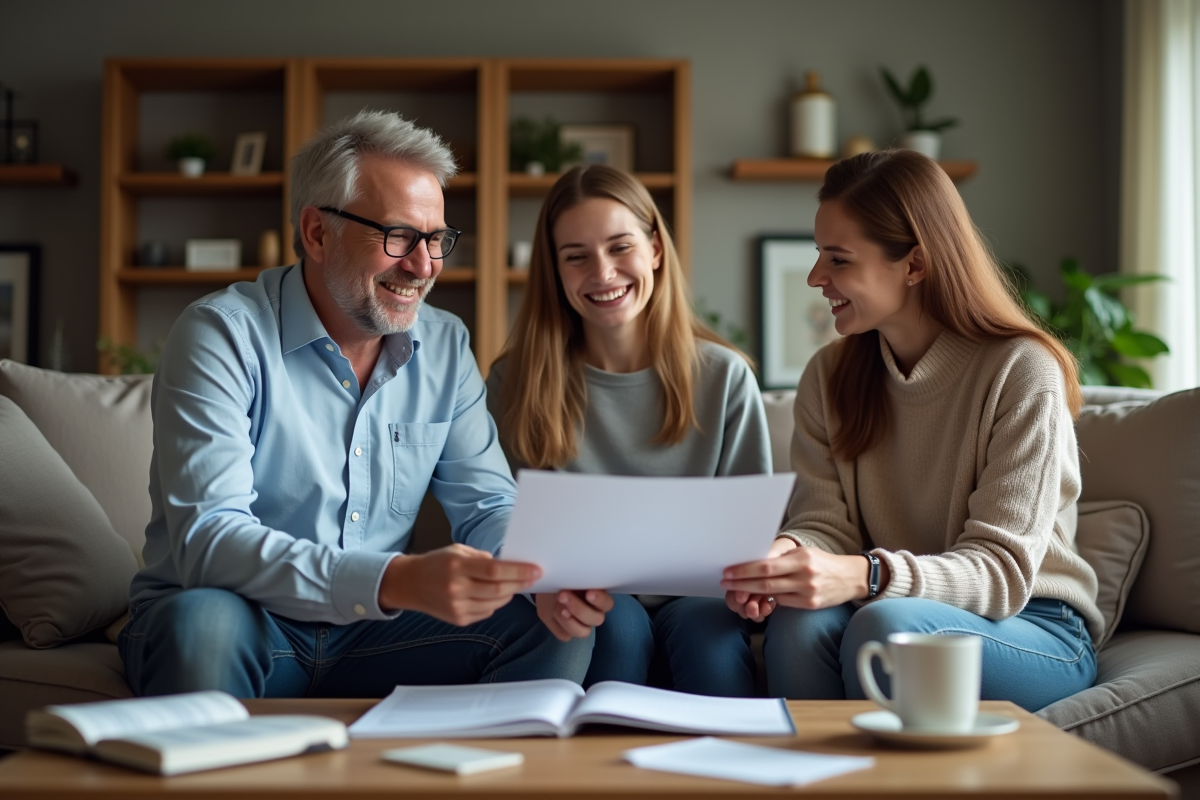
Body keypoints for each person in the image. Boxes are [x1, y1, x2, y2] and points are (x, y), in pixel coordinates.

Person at [119, 111, 593, 698]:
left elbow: (488, 504)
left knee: (554, 625)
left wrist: (540, 572)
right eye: (398, 236)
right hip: (242, 620)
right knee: (206, 623)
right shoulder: (221, 334)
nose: (423, 267)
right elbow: (209, 539)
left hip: (374, 633)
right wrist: (393, 579)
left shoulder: (444, 345)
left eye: (437, 240)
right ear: (317, 232)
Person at [721, 149, 1101, 711]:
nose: (815, 277)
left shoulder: (1022, 371)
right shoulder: (828, 376)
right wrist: (788, 558)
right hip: (887, 604)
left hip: (1032, 627)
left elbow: (1000, 572)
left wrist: (863, 576)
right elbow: (826, 523)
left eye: (838, 259)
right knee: (800, 619)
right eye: (817, 255)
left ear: (914, 265)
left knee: (889, 628)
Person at [486, 164, 772, 696]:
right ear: (555, 271)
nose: (603, 272)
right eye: (576, 257)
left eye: (621, 247)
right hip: (590, 598)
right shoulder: (514, 381)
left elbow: (747, 537)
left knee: (707, 638)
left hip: (700, 603)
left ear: (656, 249)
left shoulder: (724, 376)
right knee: (614, 627)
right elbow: (507, 521)